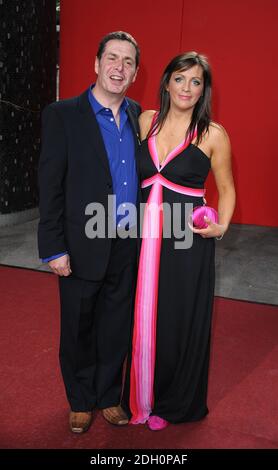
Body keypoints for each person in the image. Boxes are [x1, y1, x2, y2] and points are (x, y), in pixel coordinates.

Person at [122, 51, 236, 430]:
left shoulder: (213, 134)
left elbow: (226, 188)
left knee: (176, 321)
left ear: (204, 89)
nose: (187, 88)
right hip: (142, 239)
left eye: (196, 81)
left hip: (186, 244)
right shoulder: (145, 121)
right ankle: (140, 396)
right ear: (167, 82)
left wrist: (222, 226)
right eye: (180, 78)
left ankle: (173, 402)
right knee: (138, 315)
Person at [38, 31, 141, 433]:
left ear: (135, 72)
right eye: (112, 58)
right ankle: (80, 400)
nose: (119, 67)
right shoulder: (63, 114)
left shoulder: (137, 115)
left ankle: (106, 396)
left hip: (126, 241)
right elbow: (50, 186)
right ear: (96, 64)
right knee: (79, 326)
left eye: (128, 61)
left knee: (116, 324)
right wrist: (53, 248)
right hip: (80, 243)